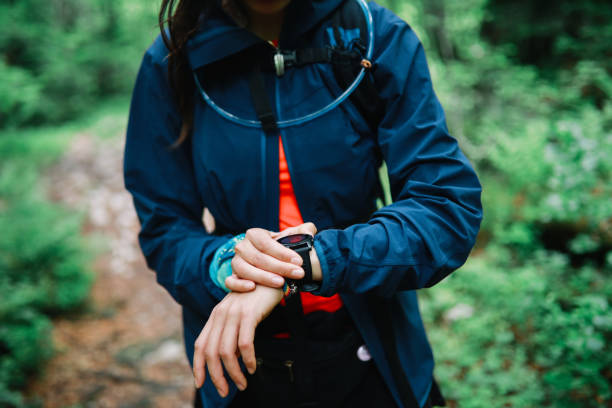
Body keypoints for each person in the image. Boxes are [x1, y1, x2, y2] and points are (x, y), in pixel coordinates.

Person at [123, 0, 483, 407]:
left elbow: (446, 209)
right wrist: (228, 264)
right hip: (242, 369)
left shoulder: (371, 34)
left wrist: (305, 261)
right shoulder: (172, 59)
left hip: (374, 356)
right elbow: (165, 228)